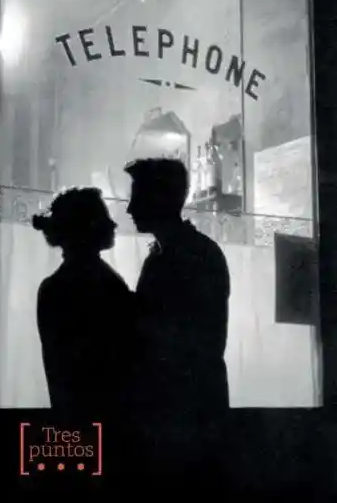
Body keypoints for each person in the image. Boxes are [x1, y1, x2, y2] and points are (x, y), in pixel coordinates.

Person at [125, 157, 231, 419]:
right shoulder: (180, 253)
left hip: (185, 406)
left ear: (160, 199)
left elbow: (184, 340)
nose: (129, 208)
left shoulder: (192, 256)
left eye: (138, 198)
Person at [33, 187, 133, 417]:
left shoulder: (53, 287)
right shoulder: (100, 283)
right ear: (88, 226)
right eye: (104, 217)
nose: (113, 224)